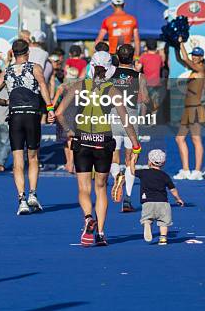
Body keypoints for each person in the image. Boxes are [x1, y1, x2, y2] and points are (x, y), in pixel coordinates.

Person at [56, 51, 141, 246]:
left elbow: (59, 112)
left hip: (82, 139)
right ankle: (101, 233)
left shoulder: (79, 86)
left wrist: (69, 131)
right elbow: (125, 120)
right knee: (101, 188)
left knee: (83, 188)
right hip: (103, 140)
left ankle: (88, 219)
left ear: (91, 67)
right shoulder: (112, 91)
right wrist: (135, 144)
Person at [0, 39, 54, 215]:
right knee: (33, 157)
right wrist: (50, 108)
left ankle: (21, 199)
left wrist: (6, 102)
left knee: (17, 159)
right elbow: (43, 85)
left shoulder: (7, 71)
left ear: (13, 53)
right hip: (32, 114)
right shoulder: (35, 67)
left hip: (15, 116)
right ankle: (32, 194)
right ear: (27, 53)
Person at [109, 43, 149, 212]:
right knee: (131, 159)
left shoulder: (110, 74)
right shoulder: (139, 77)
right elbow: (145, 99)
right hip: (131, 118)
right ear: (133, 57)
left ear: (118, 57)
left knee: (113, 156)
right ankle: (127, 199)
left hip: (112, 117)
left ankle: (117, 175)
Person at [130, 149, 184, 245]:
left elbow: (132, 171)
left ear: (149, 162)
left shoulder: (144, 172)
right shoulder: (165, 175)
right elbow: (172, 189)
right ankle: (163, 238)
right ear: (163, 163)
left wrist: (132, 160)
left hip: (147, 202)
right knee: (164, 223)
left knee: (147, 218)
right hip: (162, 202)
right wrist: (178, 198)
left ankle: (147, 224)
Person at [174, 41, 205, 180]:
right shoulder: (194, 70)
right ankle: (186, 170)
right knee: (179, 138)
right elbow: (180, 59)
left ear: (201, 58)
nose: (194, 57)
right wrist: (176, 46)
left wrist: (181, 43)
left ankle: (198, 171)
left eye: (197, 55)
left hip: (195, 108)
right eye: (193, 55)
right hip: (188, 109)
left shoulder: (200, 68)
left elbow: (185, 59)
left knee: (195, 139)